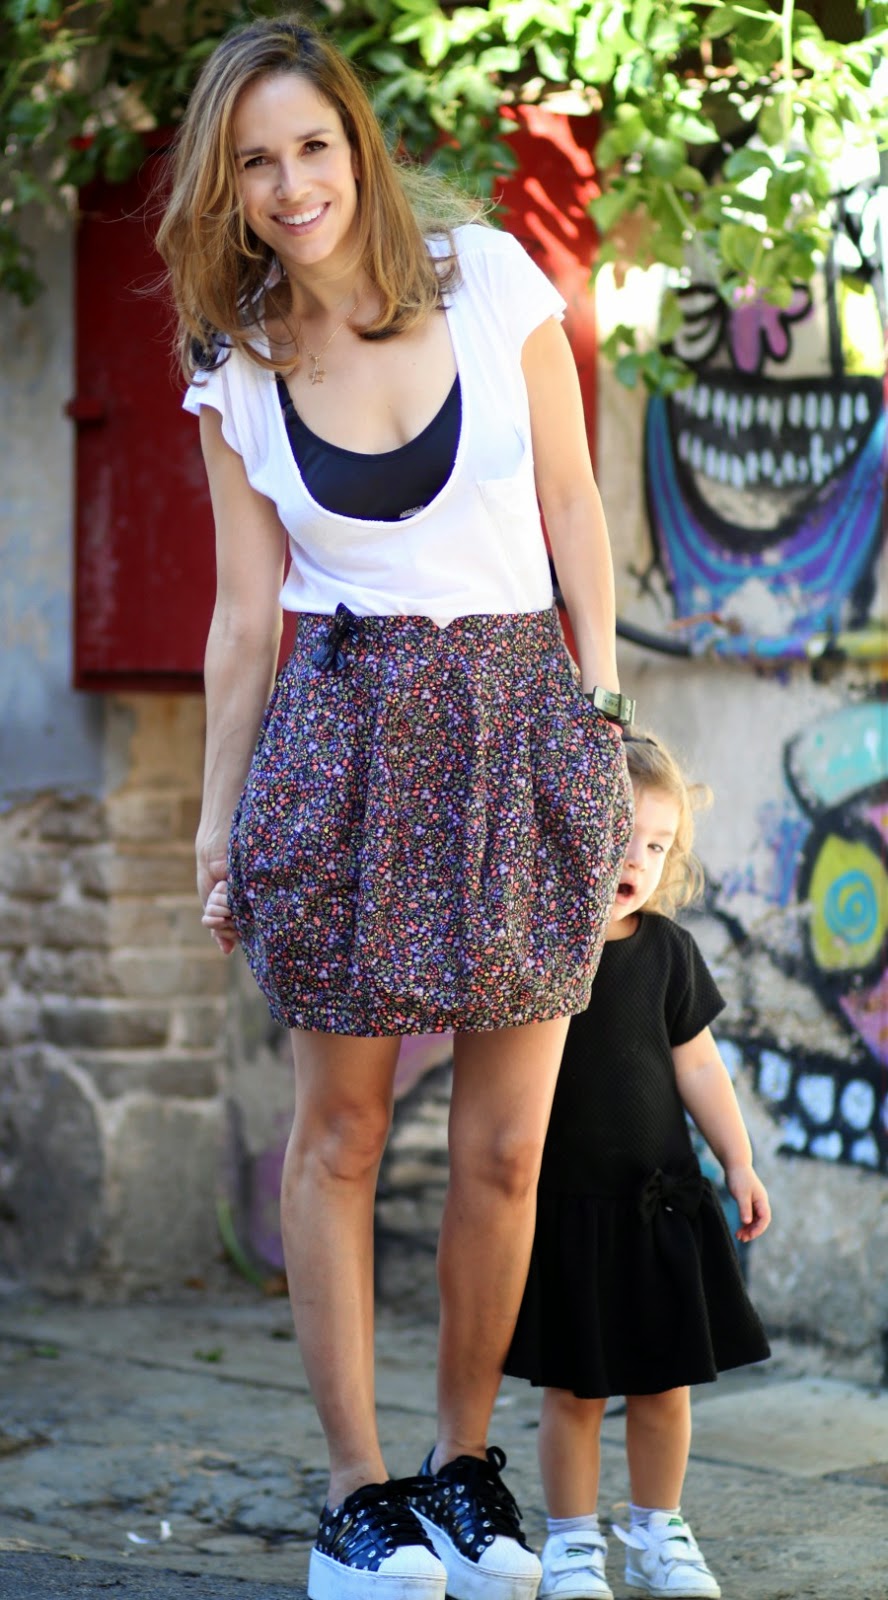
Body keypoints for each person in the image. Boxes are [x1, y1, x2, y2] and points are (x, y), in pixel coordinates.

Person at [156, 14, 633, 1600]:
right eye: (256, 163)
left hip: (519, 728)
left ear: (357, 145)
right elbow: (244, 621)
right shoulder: (239, 365)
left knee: (504, 1148)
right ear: (226, 192)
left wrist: (603, 723)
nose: (293, 185)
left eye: (313, 145)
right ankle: (355, 1495)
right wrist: (218, 823)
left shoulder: (489, 277)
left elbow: (573, 506)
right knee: (345, 1133)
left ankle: (461, 1469)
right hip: (341, 748)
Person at [505, 731, 772, 1600]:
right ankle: (572, 1544)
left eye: (657, 846)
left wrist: (738, 1162)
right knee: (574, 1393)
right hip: (567, 1211)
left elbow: (699, 1067)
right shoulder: (538, 945)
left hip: (659, 1207)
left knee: (665, 1387)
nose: (637, 861)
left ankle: (659, 1532)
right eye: (621, 837)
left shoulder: (667, 952)